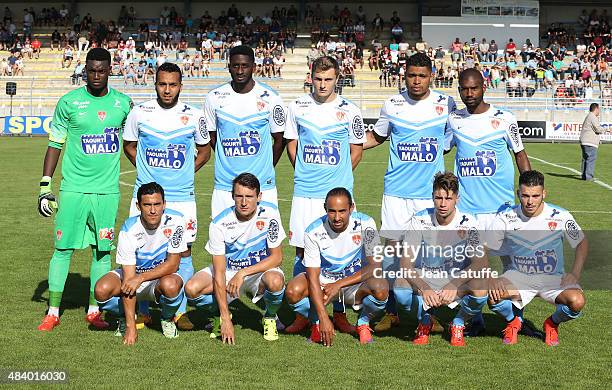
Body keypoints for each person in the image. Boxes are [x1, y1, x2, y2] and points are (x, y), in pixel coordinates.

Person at [37, 48, 132, 331]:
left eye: (102, 70)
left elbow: (131, 144)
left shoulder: (124, 104)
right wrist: (45, 185)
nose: (96, 75)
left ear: (110, 70)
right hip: (74, 190)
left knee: (102, 252)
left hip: (107, 193)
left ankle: (94, 310)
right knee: (62, 248)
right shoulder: (69, 102)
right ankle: (53, 311)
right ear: (85, 71)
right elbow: (55, 144)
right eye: (91, 70)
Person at [364, 52, 456, 332]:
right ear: (404, 76)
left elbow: (451, 142)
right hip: (396, 194)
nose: (416, 81)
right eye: (411, 75)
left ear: (431, 76)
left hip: (428, 196)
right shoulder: (392, 104)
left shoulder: (446, 104)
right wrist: (346, 144)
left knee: (426, 258)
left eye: (422, 76)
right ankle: (392, 313)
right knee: (392, 257)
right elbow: (377, 137)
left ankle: (426, 317)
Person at [123, 62, 211, 331]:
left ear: (181, 86)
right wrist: (145, 172)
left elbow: (205, 150)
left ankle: (178, 311)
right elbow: (129, 145)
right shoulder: (140, 113)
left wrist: (187, 171)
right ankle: (142, 310)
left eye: (173, 85)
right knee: (141, 251)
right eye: (163, 84)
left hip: (182, 197)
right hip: (147, 195)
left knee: (183, 251)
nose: (167, 90)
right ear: (155, 84)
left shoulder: (195, 116)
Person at [283, 56, 365, 334]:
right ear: (311, 77)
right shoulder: (297, 107)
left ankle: (339, 314)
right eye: (318, 79)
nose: (322, 84)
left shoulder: (350, 111)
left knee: (341, 253)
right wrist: (305, 173)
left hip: (337, 195)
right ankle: (305, 315)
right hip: (305, 193)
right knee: (301, 251)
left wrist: (338, 178)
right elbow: (292, 145)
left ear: (337, 78)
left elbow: (356, 150)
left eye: (328, 79)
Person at [446, 68, 531, 335]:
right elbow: (442, 148)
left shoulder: (505, 119)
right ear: (459, 90)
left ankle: (517, 319)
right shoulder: (453, 120)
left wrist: (529, 190)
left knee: (511, 266)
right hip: (468, 211)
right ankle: (476, 319)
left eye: (473, 88)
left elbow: (520, 155)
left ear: (484, 87)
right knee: (468, 267)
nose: (469, 94)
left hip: (501, 209)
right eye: (464, 89)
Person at [487, 170, 587, 346]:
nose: (530, 201)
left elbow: (581, 243)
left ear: (544, 194)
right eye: (525, 196)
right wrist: (491, 277)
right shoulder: (506, 217)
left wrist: (575, 273)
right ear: (518, 194)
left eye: (535, 195)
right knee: (493, 297)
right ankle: (514, 321)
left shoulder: (560, 215)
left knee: (577, 301)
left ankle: (552, 323)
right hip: (518, 276)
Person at [185, 173, 286, 343]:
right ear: (232, 196)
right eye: (239, 196)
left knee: (275, 281)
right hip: (229, 270)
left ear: (259, 196)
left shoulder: (270, 213)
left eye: (249, 196)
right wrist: (225, 318)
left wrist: (243, 273)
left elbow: (277, 258)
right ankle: (219, 314)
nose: (244, 202)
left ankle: (270, 317)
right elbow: (219, 271)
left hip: (258, 271)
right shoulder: (219, 224)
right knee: (192, 289)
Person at [395, 172, 488, 346]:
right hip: (427, 276)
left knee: (481, 286)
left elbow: (480, 263)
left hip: (455, 279)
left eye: (448, 198)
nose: (443, 204)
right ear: (432, 197)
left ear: (457, 199)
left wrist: (454, 284)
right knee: (400, 286)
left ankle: (458, 323)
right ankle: (425, 320)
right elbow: (405, 264)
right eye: (438, 198)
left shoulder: (470, 222)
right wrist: (424, 288)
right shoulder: (419, 219)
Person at [285, 188, 387, 345]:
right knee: (293, 291)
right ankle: (316, 323)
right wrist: (323, 318)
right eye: (332, 211)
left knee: (381, 287)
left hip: (354, 284)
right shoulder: (313, 231)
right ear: (325, 208)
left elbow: (376, 265)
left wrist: (339, 284)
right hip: (323, 285)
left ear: (351, 208)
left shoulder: (366, 223)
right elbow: (312, 278)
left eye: (342, 211)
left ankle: (363, 323)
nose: (337, 217)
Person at [95, 182, 187, 345]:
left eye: (157, 204)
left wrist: (141, 277)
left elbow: (173, 264)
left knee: (172, 285)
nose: (153, 210)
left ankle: (167, 319)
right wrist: (132, 327)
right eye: (147, 205)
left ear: (164, 204)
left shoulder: (176, 221)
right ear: (138, 206)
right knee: (101, 291)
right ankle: (125, 318)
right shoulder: (129, 230)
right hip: (132, 277)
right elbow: (129, 279)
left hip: (158, 278)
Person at [204, 45, 285, 219]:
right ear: (229, 67)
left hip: (263, 185)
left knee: (267, 241)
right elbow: (211, 134)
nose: (240, 71)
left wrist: (266, 167)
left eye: (245, 66)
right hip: (225, 185)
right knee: (224, 241)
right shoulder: (214, 97)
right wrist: (227, 157)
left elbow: (279, 139)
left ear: (254, 67)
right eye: (235, 66)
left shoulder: (271, 97)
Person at [579, 103, 605, 181]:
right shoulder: (593, 117)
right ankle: (589, 176)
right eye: (599, 109)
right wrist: (607, 129)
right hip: (590, 141)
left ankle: (584, 175)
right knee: (591, 158)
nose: (599, 111)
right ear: (596, 109)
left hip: (584, 141)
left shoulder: (588, 116)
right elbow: (598, 129)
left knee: (585, 159)